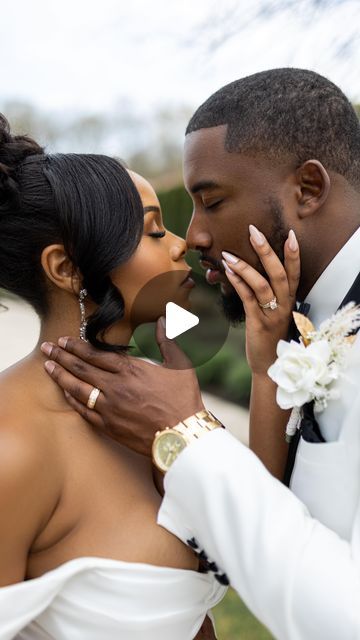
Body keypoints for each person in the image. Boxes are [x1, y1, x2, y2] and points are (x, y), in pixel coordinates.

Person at [45, 68, 360, 639]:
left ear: (308, 190)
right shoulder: (313, 325)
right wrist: (267, 372)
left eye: (211, 201)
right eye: (155, 228)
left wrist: (183, 436)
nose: (192, 239)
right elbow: (286, 534)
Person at [0, 114, 225, 639]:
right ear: (66, 269)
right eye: (152, 230)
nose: (181, 243)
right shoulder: (13, 447)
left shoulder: (165, 402)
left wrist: (262, 366)